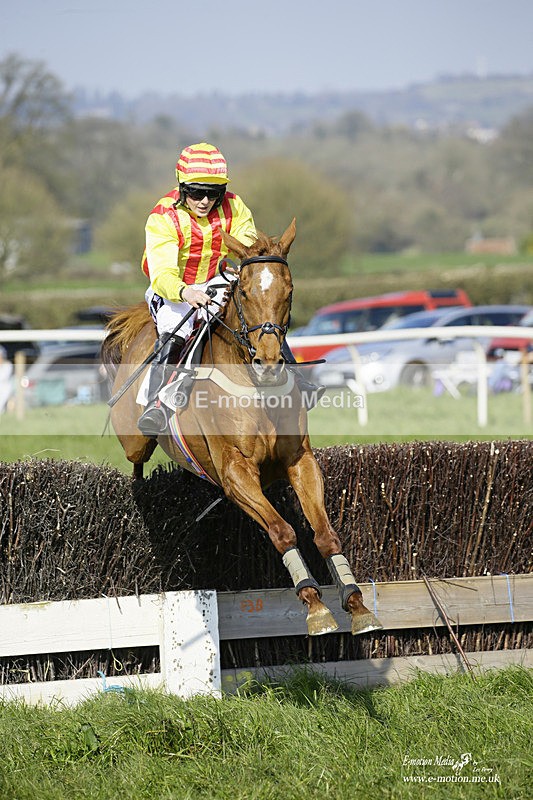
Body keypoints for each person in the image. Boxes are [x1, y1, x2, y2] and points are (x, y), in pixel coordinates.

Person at [138, 142, 257, 437]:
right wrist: (185, 292)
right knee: (176, 329)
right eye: (196, 192)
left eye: (213, 194)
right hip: (173, 288)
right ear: (182, 187)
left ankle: (293, 380)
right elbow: (162, 273)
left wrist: (242, 265)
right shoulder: (163, 217)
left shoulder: (234, 206)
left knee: (259, 312)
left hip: (216, 279)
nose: (204, 201)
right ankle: (156, 405)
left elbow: (248, 242)